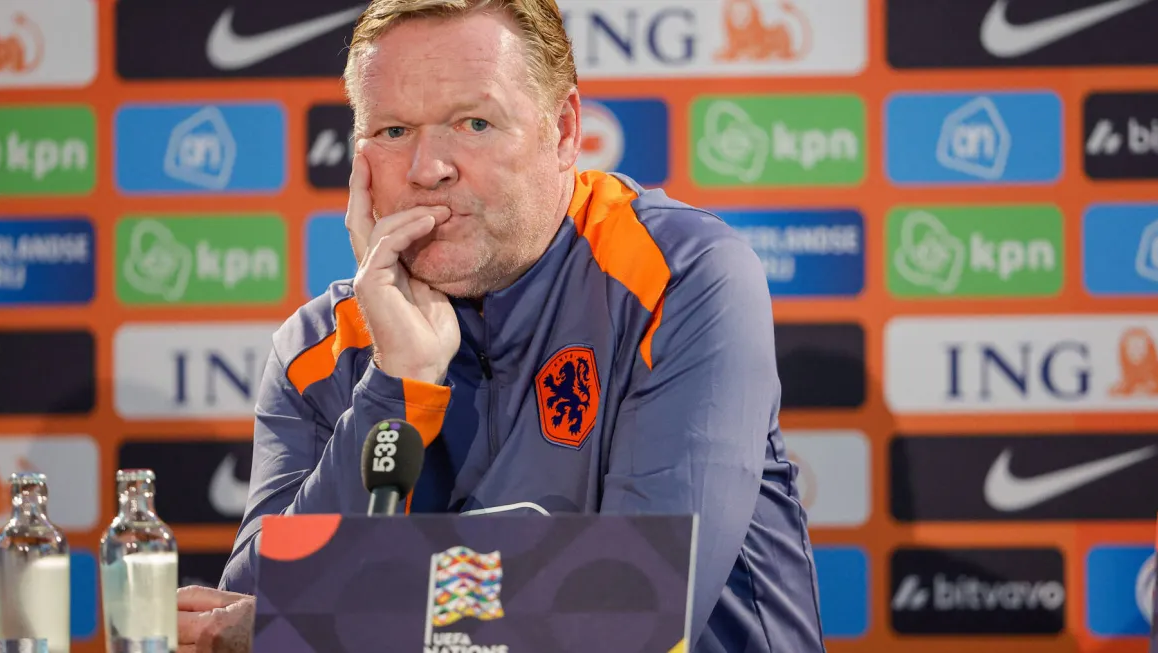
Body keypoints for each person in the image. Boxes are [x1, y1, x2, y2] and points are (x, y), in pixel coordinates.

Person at [177, 1, 825, 651]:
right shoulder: (318, 347)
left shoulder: (679, 275)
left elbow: (634, 601)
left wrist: (329, 611)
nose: (428, 168)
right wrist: (397, 382)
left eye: (474, 122)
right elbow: (248, 615)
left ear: (564, 130)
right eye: (394, 131)